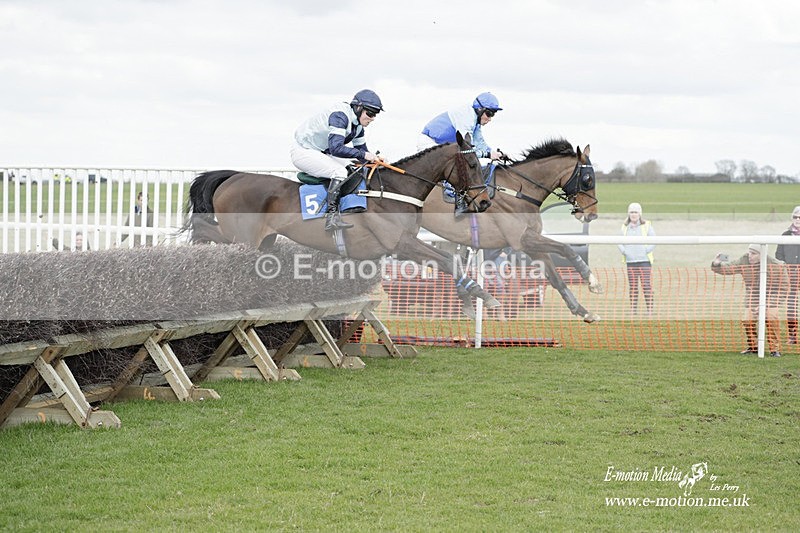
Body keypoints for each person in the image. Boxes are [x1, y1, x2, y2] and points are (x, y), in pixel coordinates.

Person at [291, 89, 383, 231]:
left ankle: (348, 208)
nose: (372, 118)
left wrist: (375, 159)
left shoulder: (358, 126)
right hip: (303, 151)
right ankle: (331, 218)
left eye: (375, 115)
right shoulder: (340, 117)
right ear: (358, 108)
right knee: (339, 172)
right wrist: (365, 155)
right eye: (370, 114)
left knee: (353, 169)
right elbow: (336, 148)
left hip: (321, 151)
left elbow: (362, 151)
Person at [417, 92, 503, 217]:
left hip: (444, 145)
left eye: (493, 114)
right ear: (480, 109)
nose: (490, 119)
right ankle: (457, 201)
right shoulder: (466, 119)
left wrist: (493, 152)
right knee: (460, 167)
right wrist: (488, 154)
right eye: (489, 114)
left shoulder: (474, 119)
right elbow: (467, 151)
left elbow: (479, 142)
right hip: (431, 143)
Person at [711, 244, 789, 357]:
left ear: (762, 254)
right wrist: (717, 264)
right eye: (749, 252)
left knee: (771, 318)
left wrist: (766, 305)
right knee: (747, 320)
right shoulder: (744, 260)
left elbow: (784, 288)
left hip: (771, 299)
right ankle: (753, 347)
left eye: (753, 253)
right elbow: (729, 268)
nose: (750, 256)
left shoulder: (777, 265)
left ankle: (775, 349)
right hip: (753, 298)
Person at [618, 202, 655, 315]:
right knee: (633, 287)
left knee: (646, 286)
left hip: (644, 262)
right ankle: (633, 310)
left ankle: (650, 310)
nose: (633, 214)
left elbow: (654, 240)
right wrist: (625, 251)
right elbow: (618, 241)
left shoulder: (647, 225)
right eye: (631, 212)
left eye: (636, 212)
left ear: (640, 214)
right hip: (631, 262)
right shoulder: (624, 226)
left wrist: (646, 250)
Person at [775, 205, 800, 344]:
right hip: (790, 276)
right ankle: (792, 335)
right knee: (791, 306)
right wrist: (784, 266)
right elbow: (779, 255)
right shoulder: (785, 235)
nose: (797, 220)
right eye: (795, 217)